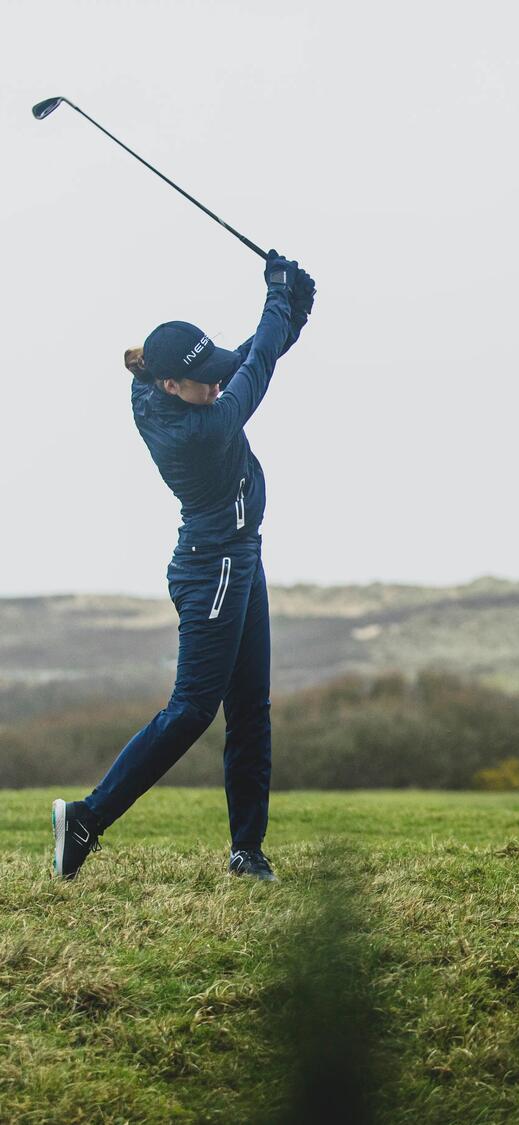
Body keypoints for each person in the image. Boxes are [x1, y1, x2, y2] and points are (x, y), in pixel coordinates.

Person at [51, 251, 315, 882]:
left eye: (216, 375)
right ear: (171, 386)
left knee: (251, 708)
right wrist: (277, 299)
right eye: (206, 382)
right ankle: (86, 817)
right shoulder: (200, 430)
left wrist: (294, 302)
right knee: (194, 707)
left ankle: (247, 852)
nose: (218, 386)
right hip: (215, 565)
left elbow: (253, 355)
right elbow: (256, 371)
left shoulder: (171, 388)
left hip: (237, 556)